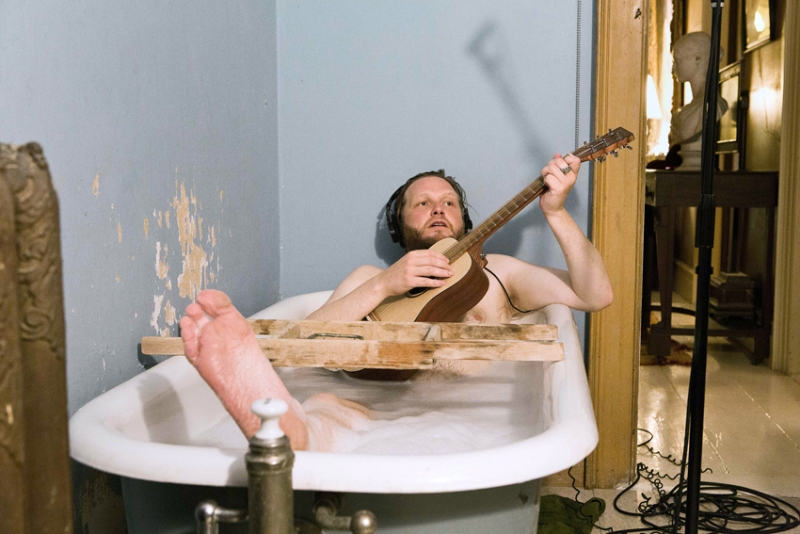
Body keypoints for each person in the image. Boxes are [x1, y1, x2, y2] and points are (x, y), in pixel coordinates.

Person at [179, 154, 613, 450]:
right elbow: (300, 346)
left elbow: (595, 295)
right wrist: (384, 285)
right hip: (370, 409)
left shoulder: (497, 274)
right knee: (324, 410)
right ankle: (282, 433)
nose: (438, 209)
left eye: (449, 203)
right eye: (422, 203)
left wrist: (555, 212)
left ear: (464, 221)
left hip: (471, 417)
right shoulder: (369, 279)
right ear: (398, 224)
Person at [668, 32, 728, 169]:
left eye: (677, 61)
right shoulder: (696, 107)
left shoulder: (710, 106)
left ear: (698, 59)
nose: (673, 68)